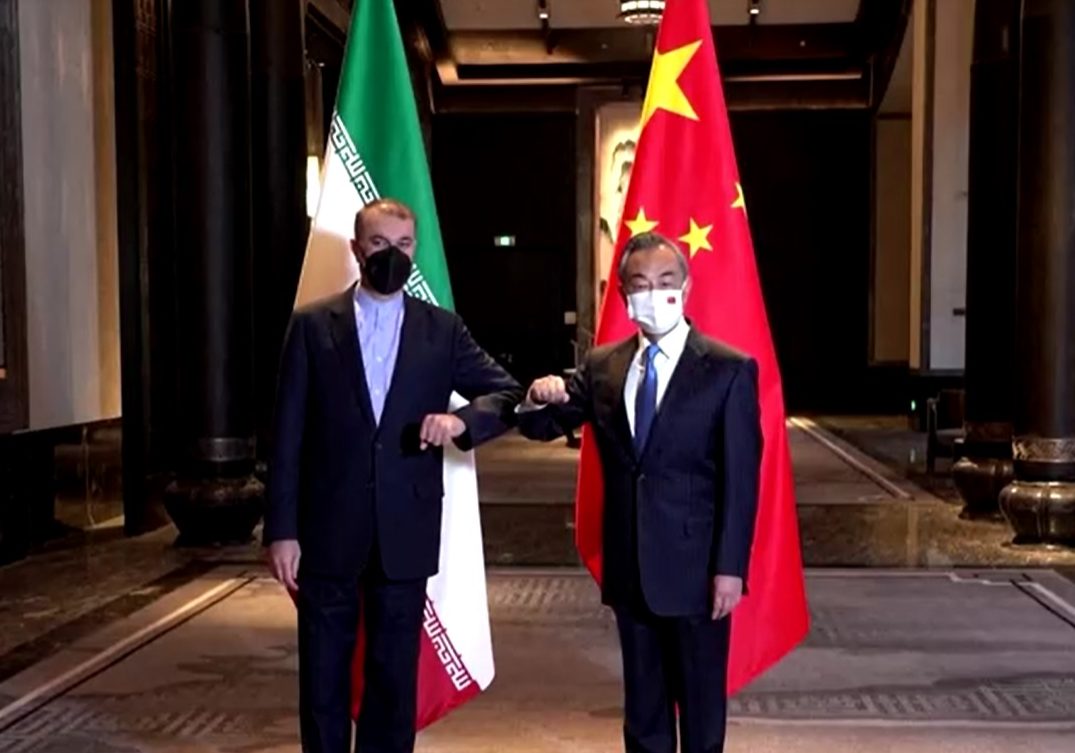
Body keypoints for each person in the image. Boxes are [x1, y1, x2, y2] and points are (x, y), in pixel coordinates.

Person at [264, 198, 522, 753]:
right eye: (380, 245)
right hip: (327, 529)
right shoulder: (312, 326)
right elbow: (287, 435)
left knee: (391, 676)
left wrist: (460, 421)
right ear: (358, 249)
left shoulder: (442, 330)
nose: (392, 256)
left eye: (404, 246)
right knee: (323, 677)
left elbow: (507, 394)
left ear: (416, 251)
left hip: (405, 529)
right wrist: (281, 530)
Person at [519, 232, 762, 753]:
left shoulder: (728, 369)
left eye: (665, 282)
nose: (653, 293)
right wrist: (538, 397)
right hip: (632, 569)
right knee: (644, 714)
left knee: (700, 713)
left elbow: (741, 480)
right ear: (625, 295)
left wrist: (730, 568)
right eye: (640, 284)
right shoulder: (603, 365)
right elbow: (545, 424)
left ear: (686, 287)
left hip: (698, 572)